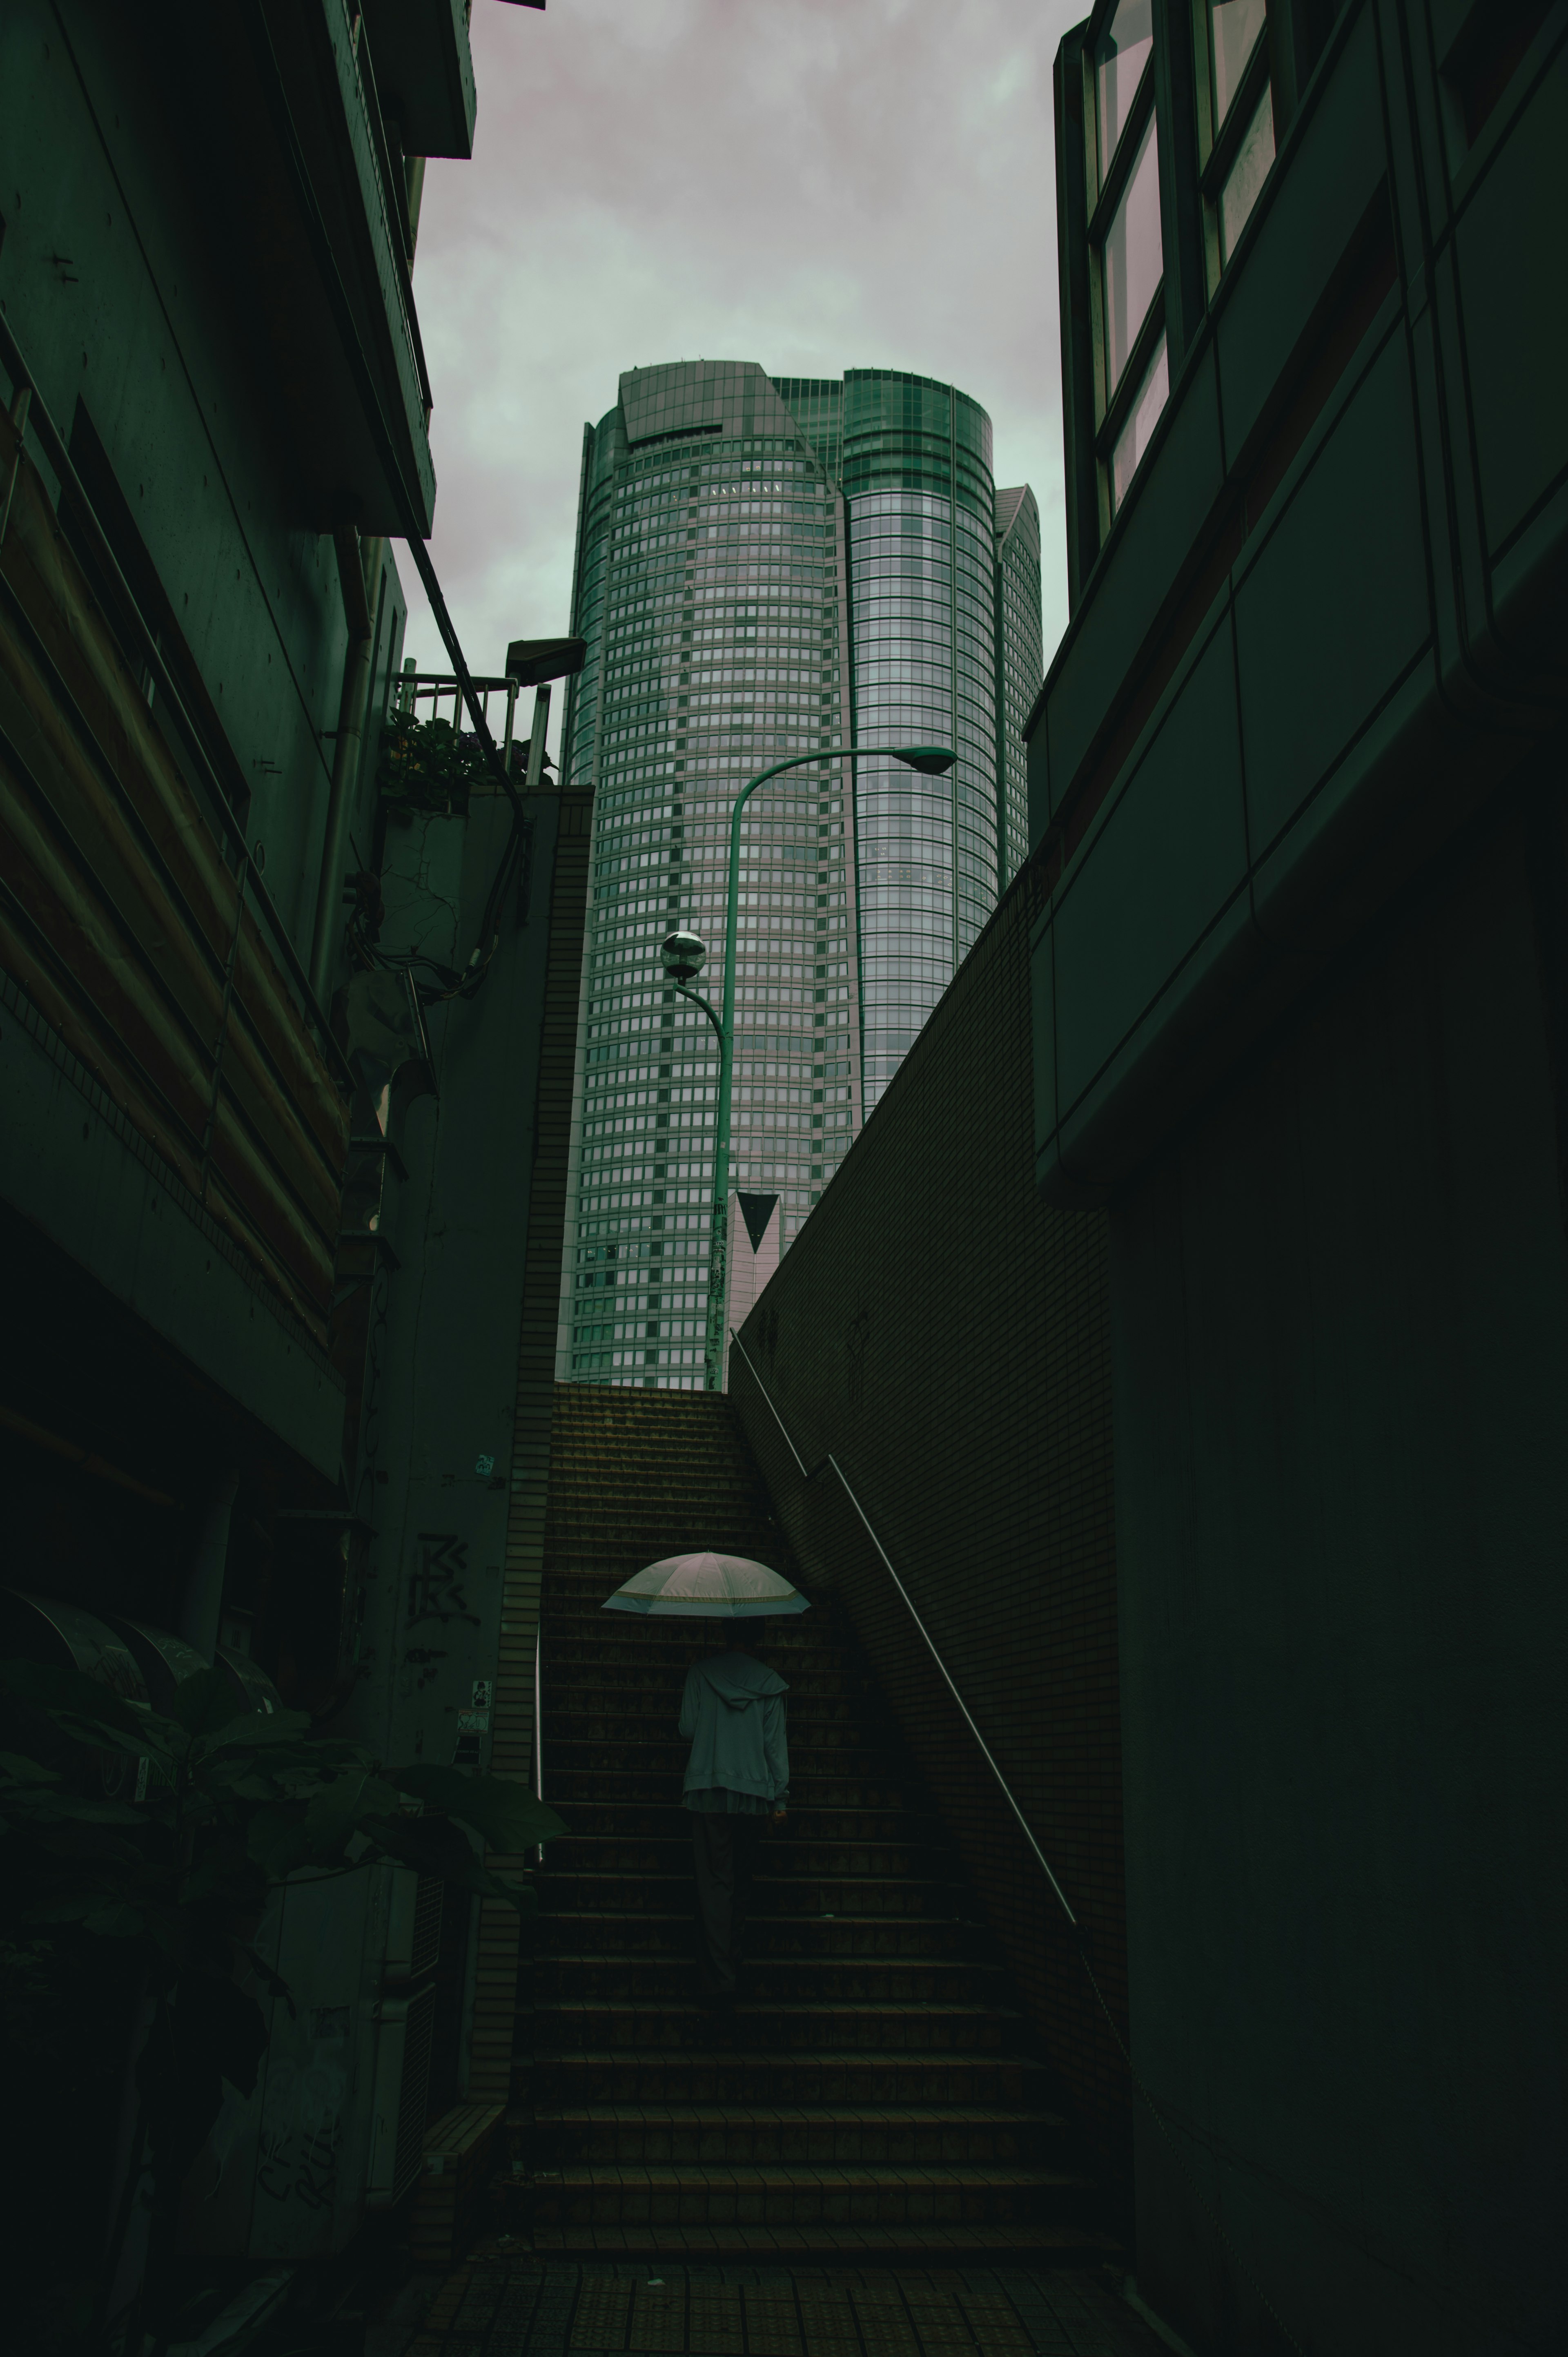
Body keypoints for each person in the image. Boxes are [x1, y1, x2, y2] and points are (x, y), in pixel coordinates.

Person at [678, 1616, 788, 2013]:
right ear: (758, 1640)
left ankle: (717, 1977)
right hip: (755, 1792)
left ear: (726, 1636)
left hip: (709, 1787)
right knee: (741, 1881)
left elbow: (687, 1728)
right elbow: (775, 1745)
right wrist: (780, 1799)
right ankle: (734, 1964)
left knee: (714, 1883)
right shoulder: (770, 1682)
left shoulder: (701, 1673)